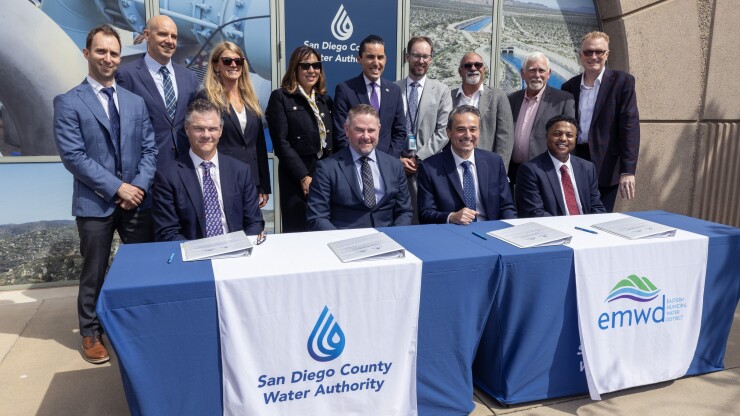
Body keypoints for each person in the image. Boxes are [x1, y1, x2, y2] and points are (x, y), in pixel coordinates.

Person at [53, 25, 157, 364]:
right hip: (94, 203)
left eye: (113, 52)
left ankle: (137, 326)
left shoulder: (135, 103)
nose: (108, 58)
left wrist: (137, 187)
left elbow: (149, 151)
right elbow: (74, 157)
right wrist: (118, 188)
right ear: (87, 54)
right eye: (101, 51)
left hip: (136, 202)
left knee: (140, 268)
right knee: (95, 270)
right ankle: (91, 332)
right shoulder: (69, 102)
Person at [152, 99, 264, 241]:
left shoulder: (241, 171)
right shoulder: (168, 176)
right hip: (192, 257)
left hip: (236, 253)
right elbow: (167, 232)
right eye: (199, 129)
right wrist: (201, 253)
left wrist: (242, 248)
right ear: (187, 129)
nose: (206, 135)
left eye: (212, 129)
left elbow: (254, 222)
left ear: (221, 131)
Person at [561, 31, 640, 212]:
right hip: (575, 160)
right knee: (574, 213)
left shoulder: (622, 82)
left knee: (599, 218)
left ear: (607, 54)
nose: (593, 56)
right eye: (588, 52)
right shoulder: (569, 86)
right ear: (580, 55)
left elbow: (630, 127)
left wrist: (628, 170)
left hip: (607, 165)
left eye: (599, 52)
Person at [307, 104, 412, 230]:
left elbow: (404, 212)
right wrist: (342, 242)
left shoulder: (394, 166)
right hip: (345, 241)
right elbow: (317, 217)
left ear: (379, 129)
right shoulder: (327, 168)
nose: (366, 136)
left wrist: (396, 236)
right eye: (360, 130)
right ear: (347, 130)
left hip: (387, 239)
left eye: (371, 130)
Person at [266, 46, 334, 233]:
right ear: (295, 68)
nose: (312, 70)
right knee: (298, 230)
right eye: (305, 66)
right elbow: (281, 143)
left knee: (325, 229)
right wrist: (303, 177)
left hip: (324, 175)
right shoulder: (281, 97)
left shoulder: (324, 100)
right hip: (296, 177)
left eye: (316, 65)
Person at [116, 15, 198, 167]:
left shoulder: (189, 77)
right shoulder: (126, 75)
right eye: (162, 34)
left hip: (186, 167)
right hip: (148, 170)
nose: (169, 41)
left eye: (173, 36)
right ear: (147, 35)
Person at [199, 41, 271, 208]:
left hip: (251, 181)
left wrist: (263, 185)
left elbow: (258, 145)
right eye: (227, 61)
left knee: (252, 230)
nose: (233, 65)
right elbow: (201, 144)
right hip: (221, 179)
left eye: (238, 61)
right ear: (216, 66)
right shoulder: (206, 98)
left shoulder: (251, 100)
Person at [417, 105, 516, 224]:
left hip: (490, 230)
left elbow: (507, 207)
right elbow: (425, 213)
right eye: (460, 129)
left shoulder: (494, 162)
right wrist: (451, 217)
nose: (468, 135)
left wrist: (509, 231)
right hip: (452, 233)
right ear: (448, 132)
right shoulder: (430, 168)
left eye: (473, 129)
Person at [394, 36, 452, 223]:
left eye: (425, 56)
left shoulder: (443, 91)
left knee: (424, 219)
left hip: (428, 167)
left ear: (431, 59)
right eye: (416, 55)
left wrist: (418, 158)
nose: (421, 60)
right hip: (397, 167)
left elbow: (444, 130)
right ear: (407, 57)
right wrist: (398, 159)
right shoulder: (393, 89)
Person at [516, 115, 606, 217]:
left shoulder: (587, 168)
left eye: (569, 135)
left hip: (585, 227)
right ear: (547, 136)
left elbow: (597, 207)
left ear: (575, 139)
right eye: (557, 134)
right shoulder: (530, 170)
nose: (563, 138)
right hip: (553, 229)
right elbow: (535, 212)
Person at [333, 35, 406, 158]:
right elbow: (341, 133)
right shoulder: (345, 90)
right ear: (359, 59)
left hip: (386, 165)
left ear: (385, 59)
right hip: (354, 164)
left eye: (380, 57)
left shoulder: (394, 91)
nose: (376, 63)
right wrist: (357, 160)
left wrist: (389, 161)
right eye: (370, 57)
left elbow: (400, 132)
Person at [508, 52, 575, 185]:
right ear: (522, 74)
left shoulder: (563, 100)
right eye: (532, 70)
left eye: (541, 70)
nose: (537, 75)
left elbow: (569, 139)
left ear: (548, 73)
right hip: (514, 172)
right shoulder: (511, 99)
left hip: (546, 172)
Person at [451, 52, 514, 170]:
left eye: (478, 65)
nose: (473, 68)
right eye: (468, 65)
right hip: (453, 167)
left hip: (487, 167)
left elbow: (505, 138)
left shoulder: (498, 97)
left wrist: (499, 171)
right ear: (460, 72)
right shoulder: (449, 97)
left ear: (484, 70)